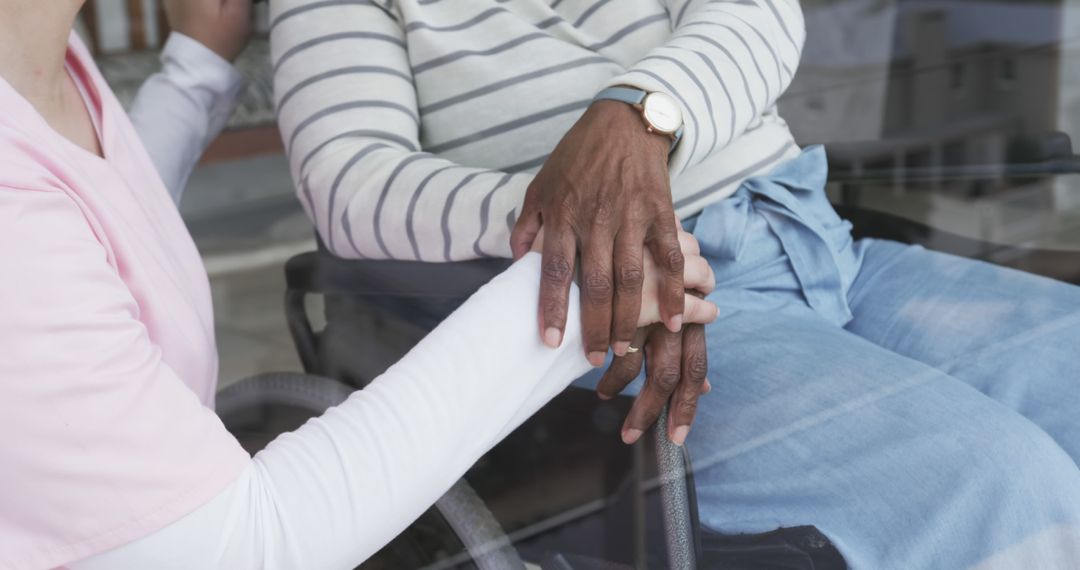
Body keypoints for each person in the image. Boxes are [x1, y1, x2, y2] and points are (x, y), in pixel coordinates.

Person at [270, 0, 1080, 567]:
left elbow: (756, 15)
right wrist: (581, 221)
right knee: (993, 480)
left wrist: (638, 115)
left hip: (813, 240)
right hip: (634, 309)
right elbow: (354, 185)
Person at [0, 1, 721, 568]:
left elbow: (86, 233)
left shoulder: (45, 62)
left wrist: (194, 71)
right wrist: (572, 275)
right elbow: (236, 550)